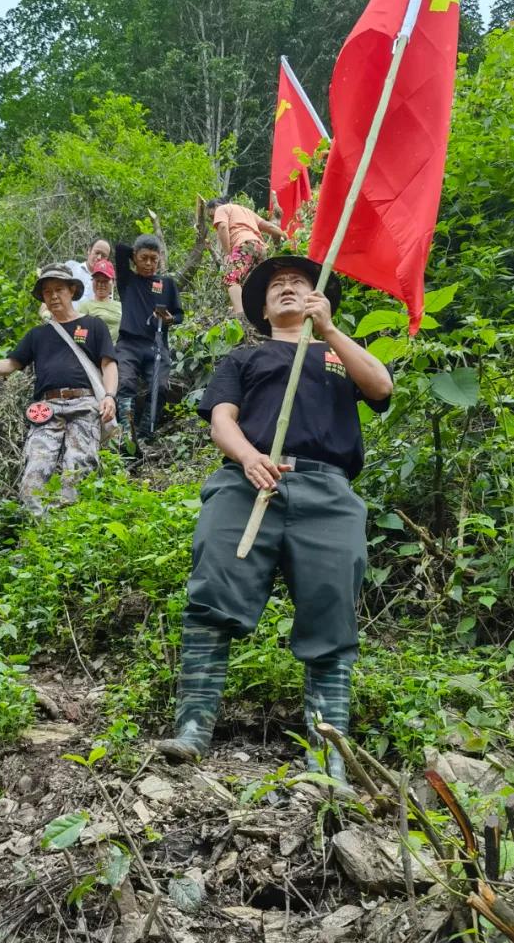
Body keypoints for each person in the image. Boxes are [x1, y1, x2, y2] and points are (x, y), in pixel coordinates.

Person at [158, 255, 393, 777]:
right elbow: (222, 420)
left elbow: (380, 388)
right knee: (212, 594)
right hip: (246, 483)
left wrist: (329, 329)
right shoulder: (245, 358)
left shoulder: (336, 353)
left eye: (299, 283)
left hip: (329, 491)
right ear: (262, 309)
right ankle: (193, 730)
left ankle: (330, 755)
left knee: (332, 614)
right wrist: (247, 457)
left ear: (317, 297)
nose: (287, 288)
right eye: (276, 286)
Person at [0, 265, 117, 515]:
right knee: (33, 477)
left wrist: (110, 396)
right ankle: (40, 534)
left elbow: (109, 364)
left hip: (84, 404)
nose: (54, 296)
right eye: (47, 292)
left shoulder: (94, 325)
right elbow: (8, 365)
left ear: (72, 290)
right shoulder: (37, 335)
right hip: (46, 409)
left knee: (77, 472)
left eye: (59, 289)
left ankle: (69, 535)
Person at [113, 233, 183, 450]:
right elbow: (119, 248)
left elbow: (180, 315)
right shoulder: (128, 280)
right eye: (144, 258)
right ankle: (126, 433)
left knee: (160, 387)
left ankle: (145, 435)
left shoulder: (167, 283)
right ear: (135, 257)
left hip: (156, 344)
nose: (149, 264)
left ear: (160, 258)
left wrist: (170, 319)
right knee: (125, 383)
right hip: (129, 344)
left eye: (154, 259)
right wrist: (136, 251)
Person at [204, 197, 284, 320]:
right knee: (253, 284)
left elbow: (223, 228)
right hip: (260, 248)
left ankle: (241, 316)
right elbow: (270, 227)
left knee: (230, 279)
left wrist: (227, 254)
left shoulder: (221, 209)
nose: (212, 219)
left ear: (216, 206)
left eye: (211, 215)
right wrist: (285, 235)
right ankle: (261, 314)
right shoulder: (247, 211)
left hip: (243, 245)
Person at [65, 238, 112, 303]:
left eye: (103, 256)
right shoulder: (71, 267)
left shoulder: (106, 282)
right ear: (89, 250)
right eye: (97, 253)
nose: (99, 257)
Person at [87, 258, 121, 342]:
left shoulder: (121, 306)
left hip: (118, 352)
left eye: (105, 281)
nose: (100, 284)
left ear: (113, 282)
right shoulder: (85, 306)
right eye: (97, 280)